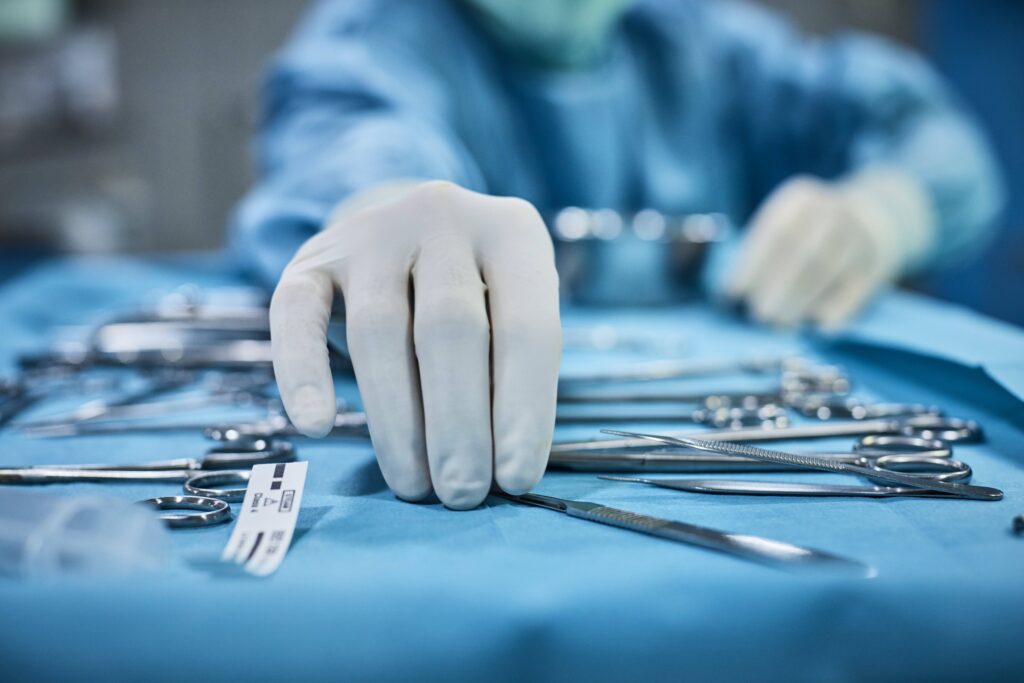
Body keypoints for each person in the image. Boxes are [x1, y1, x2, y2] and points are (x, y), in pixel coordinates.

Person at [231, 0, 1004, 509]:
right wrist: (385, 202)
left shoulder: (695, 39)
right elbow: (352, 135)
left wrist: (887, 208)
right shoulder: (381, 40)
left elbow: (938, 140)